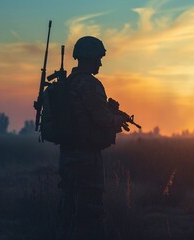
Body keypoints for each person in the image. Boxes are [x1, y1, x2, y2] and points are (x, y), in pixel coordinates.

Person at [57, 36, 127, 240]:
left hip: (67, 155)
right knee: (90, 213)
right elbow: (102, 118)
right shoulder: (90, 84)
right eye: (98, 58)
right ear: (88, 58)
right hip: (86, 158)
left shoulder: (68, 83)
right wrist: (117, 119)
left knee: (67, 208)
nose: (100, 63)